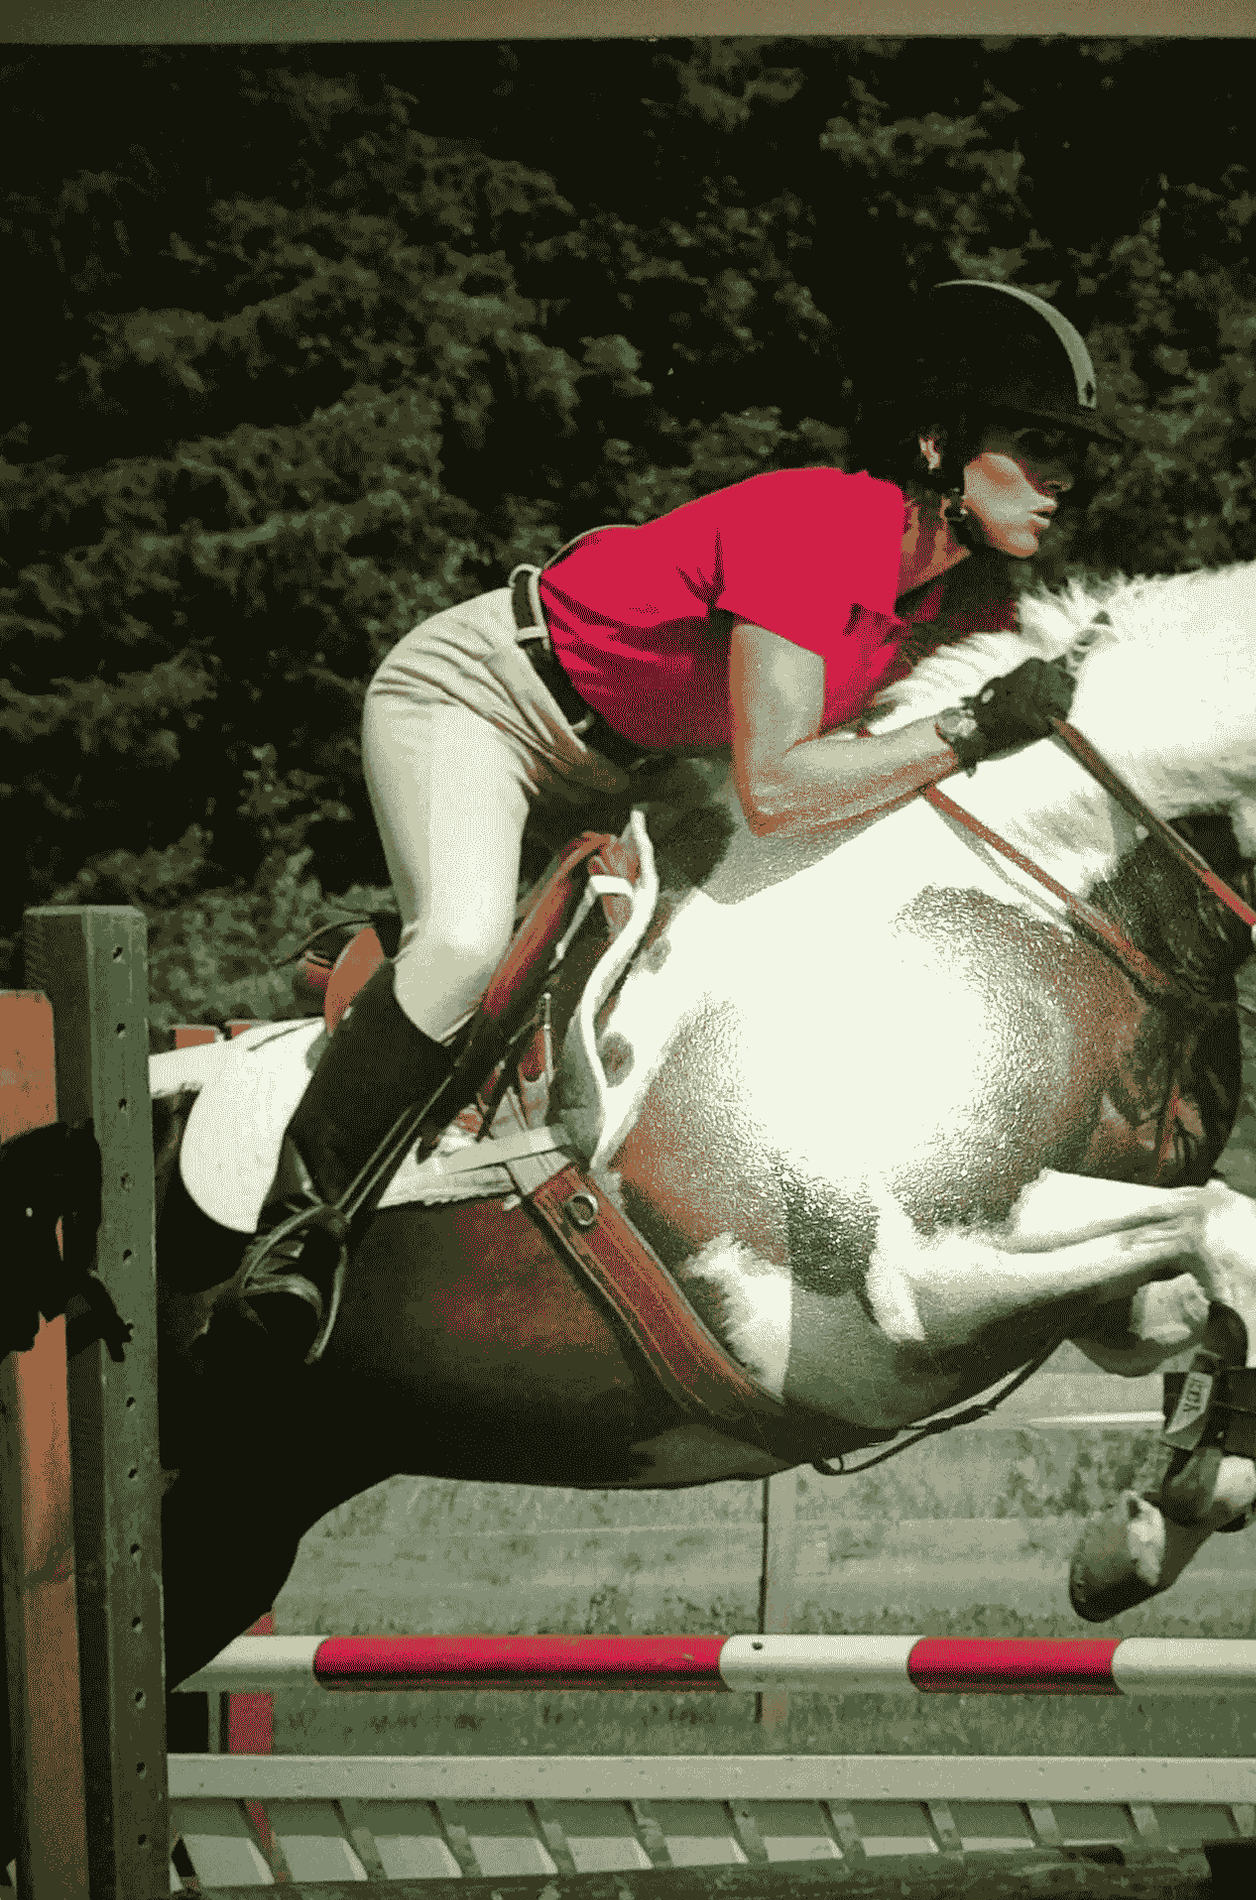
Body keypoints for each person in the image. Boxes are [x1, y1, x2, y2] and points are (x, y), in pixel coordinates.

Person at [220, 281, 1120, 1365]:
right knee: (461, 946)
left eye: (1070, 451)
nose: (1064, 477)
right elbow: (780, 790)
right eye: (1035, 444)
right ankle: (294, 1233)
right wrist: (975, 726)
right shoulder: (817, 523)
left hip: (633, 766)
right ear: (936, 444)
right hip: (484, 703)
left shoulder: (967, 598)